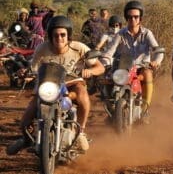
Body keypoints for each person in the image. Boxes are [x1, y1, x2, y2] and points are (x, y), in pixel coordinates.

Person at [6, 16, 105, 155]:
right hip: (48, 86)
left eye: (63, 35)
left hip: (72, 85)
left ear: (68, 35)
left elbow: (100, 67)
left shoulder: (79, 48)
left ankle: (80, 131)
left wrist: (90, 71)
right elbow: (33, 67)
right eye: (55, 35)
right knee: (27, 118)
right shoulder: (42, 48)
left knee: (83, 95)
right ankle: (27, 138)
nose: (59, 38)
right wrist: (26, 73)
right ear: (50, 36)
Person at [102, 0, 164, 119]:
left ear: (140, 18)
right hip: (122, 67)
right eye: (130, 17)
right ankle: (111, 109)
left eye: (136, 17)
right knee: (107, 77)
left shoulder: (147, 34)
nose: (133, 20)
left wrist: (156, 61)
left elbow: (157, 50)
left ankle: (145, 110)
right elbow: (110, 51)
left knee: (148, 74)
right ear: (126, 18)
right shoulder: (120, 34)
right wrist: (105, 62)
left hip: (141, 67)